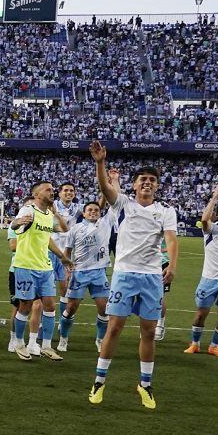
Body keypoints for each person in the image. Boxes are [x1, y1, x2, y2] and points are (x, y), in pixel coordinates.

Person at [87, 141, 177, 410]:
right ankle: (99, 380)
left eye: (152, 180)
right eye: (143, 180)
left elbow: (171, 239)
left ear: (157, 186)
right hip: (125, 274)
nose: (147, 183)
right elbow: (105, 188)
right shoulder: (123, 204)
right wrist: (101, 162)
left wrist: (171, 265)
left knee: (148, 332)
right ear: (134, 185)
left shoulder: (166, 211)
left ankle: (145, 384)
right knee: (114, 327)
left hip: (151, 277)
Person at [8, 181, 72, 361]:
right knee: (26, 306)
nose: (52, 192)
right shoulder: (28, 210)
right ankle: (20, 343)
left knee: (50, 305)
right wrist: (16, 223)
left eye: (53, 190)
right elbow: (15, 226)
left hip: (45, 267)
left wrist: (62, 256)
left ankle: (46, 346)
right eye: (48, 190)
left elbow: (54, 235)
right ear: (36, 194)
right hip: (26, 265)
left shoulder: (47, 215)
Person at [185, 182, 218, 357]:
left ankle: (214, 346)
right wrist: (215, 196)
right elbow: (204, 220)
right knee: (201, 314)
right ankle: (195, 343)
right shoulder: (213, 230)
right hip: (209, 279)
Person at [60, 199, 116, 353]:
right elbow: (67, 252)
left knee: (104, 310)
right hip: (79, 273)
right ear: (83, 213)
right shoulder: (75, 229)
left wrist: (112, 181)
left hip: (99, 273)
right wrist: (66, 270)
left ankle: (99, 339)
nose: (93, 212)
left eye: (96, 210)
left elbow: (114, 199)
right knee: (71, 308)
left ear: (100, 213)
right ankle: (64, 338)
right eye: (89, 210)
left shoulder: (105, 223)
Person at [51, 182, 82, 330]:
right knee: (47, 288)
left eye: (71, 191)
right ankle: (45, 319)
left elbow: (99, 207)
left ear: (74, 194)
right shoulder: (53, 205)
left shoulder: (78, 208)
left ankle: (60, 319)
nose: (69, 193)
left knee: (64, 288)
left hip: (67, 252)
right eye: (66, 190)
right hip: (50, 250)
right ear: (60, 193)